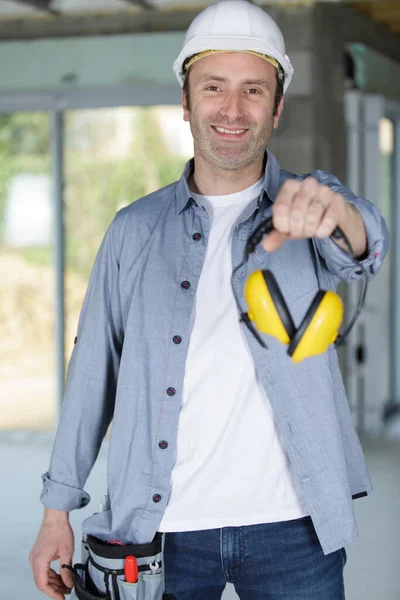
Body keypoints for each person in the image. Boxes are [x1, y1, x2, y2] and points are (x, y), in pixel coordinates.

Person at [30, 1, 390, 599]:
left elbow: (364, 244)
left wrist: (341, 215)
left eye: (254, 89)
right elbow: (94, 372)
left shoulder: (308, 205)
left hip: (295, 530)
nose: (232, 108)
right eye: (213, 86)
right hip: (161, 535)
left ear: (276, 107)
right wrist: (54, 512)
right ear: (185, 100)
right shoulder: (133, 231)